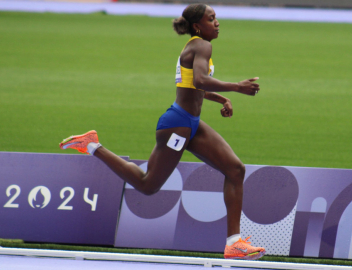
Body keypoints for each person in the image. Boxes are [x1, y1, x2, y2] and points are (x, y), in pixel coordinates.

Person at [59, 3, 265, 260]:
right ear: (197, 26)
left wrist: (220, 99)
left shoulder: (195, 47)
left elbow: (191, 85)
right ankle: (92, 145)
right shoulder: (201, 45)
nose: (217, 22)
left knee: (235, 169)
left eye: (216, 18)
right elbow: (200, 80)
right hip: (177, 125)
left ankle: (234, 243)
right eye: (212, 19)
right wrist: (236, 87)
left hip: (190, 122)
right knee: (147, 185)